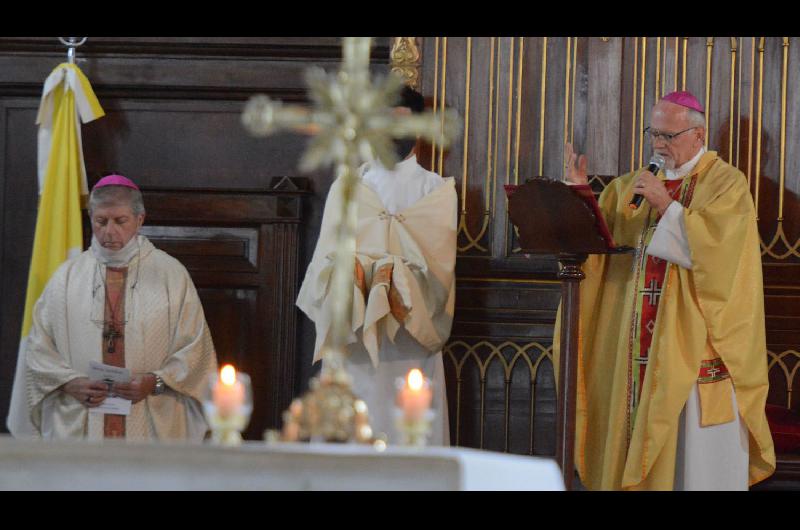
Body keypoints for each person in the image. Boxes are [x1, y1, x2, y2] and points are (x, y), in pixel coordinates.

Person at [558, 91, 775, 490]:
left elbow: (722, 258)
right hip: (632, 354)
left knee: (691, 468)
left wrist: (667, 207)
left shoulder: (726, 183)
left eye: (669, 135)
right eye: (653, 133)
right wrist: (578, 194)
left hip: (691, 349)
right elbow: (598, 244)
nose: (658, 144)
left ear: (698, 134)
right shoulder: (630, 186)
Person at [297, 86, 457, 444]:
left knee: (410, 433)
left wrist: (387, 279)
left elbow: (439, 269)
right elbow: (325, 261)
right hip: (355, 337)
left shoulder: (436, 190)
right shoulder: (349, 187)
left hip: (409, 338)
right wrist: (356, 276)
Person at [20, 174, 218, 441]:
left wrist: (154, 382)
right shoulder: (66, 277)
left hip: (149, 420)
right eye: (100, 221)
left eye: (120, 221)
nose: (109, 232)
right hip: (82, 421)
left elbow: (196, 350)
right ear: (91, 217)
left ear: (140, 219)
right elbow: (38, 348)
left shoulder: (171, 274)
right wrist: (69, 383)